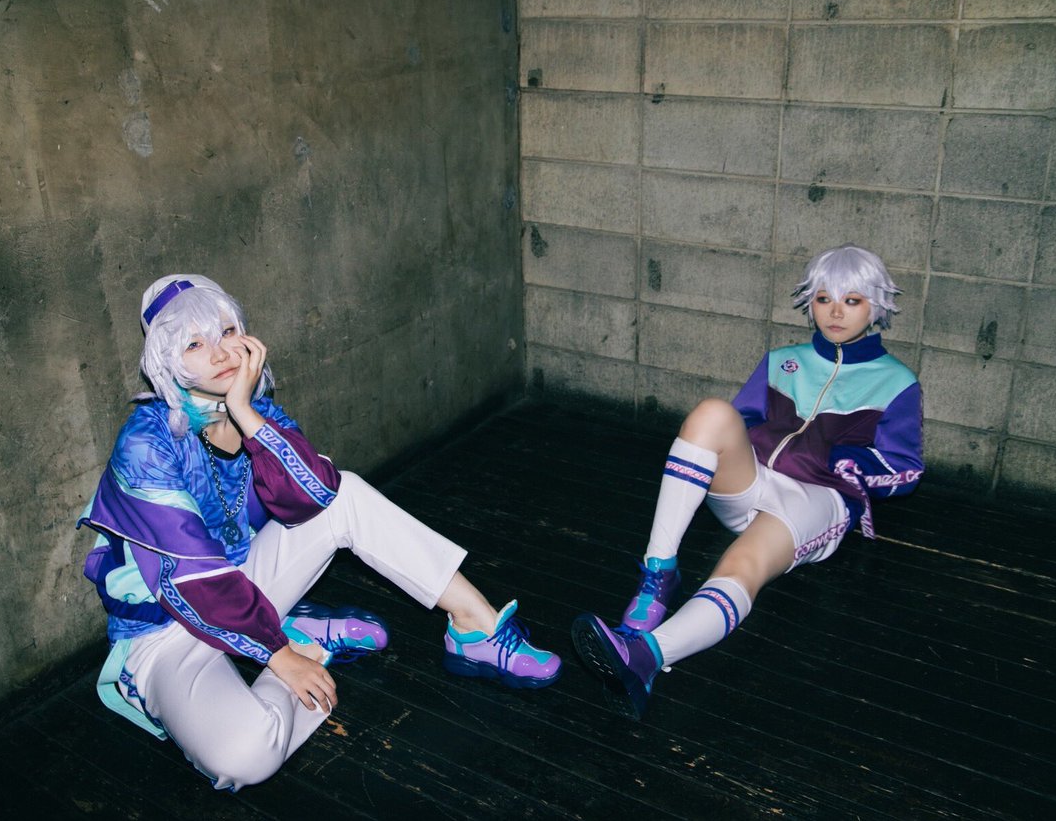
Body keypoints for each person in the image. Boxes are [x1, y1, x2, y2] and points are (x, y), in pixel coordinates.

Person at [78, 274, 560, 790]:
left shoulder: (257, 413)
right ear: (165, 361)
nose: (219, 353)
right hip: (163, 630)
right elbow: (190, 578)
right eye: (194, 344)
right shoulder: (145, 443)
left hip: (244, 584)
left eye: (226, 332)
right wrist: (281, 658)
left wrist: (245, 416)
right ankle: (294, 639)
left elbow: (315, 498)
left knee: (344, 492)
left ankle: (475, 628)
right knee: (245, 757)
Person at [572, 245, 923, 720]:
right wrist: (754, 436)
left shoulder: (897, 382)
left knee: (740, 567)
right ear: (810, 303)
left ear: (876, 306)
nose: (836, 312)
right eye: (824, 299)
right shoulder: (783, 361)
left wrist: (845, 460)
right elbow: (738, 422)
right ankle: (659, 572)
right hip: (754, 480)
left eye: (852, 301)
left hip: (817, 497)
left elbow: (905, 468)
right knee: (711, 413)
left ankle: (648, 656)